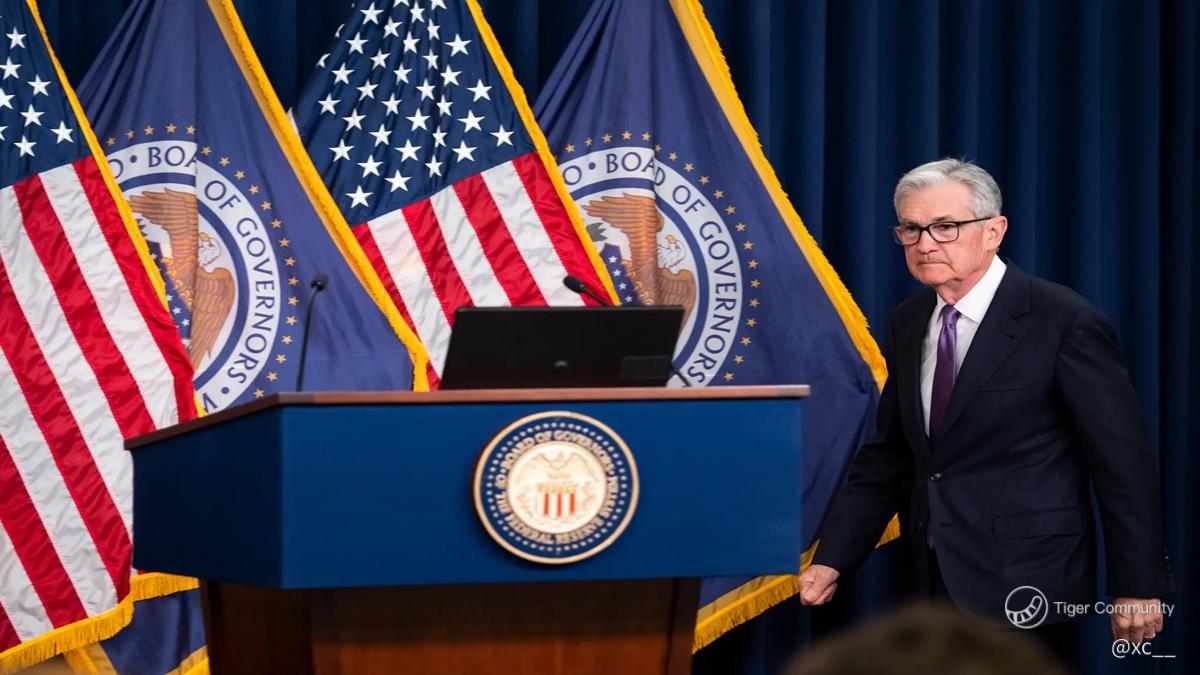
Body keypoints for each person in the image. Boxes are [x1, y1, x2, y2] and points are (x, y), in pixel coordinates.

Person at [797, 159, 1173, 648]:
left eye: (945, 227)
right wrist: (832, 559)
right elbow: (892, 455)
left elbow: (1123, 464)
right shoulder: (907, 323)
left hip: (1028, 581)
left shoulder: (1063, 321)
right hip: (930, 578)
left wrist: (1138, 584)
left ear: (994, 231)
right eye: (911, 229)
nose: (925, 244)